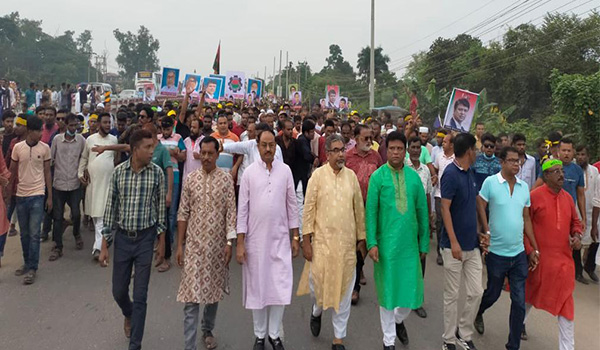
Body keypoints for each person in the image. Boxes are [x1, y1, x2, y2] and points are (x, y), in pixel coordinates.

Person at [297, 134, 366, 350]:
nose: (340, 154)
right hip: (322, 246)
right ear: (327, 153)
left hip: (346, 247)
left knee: (344, 292)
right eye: (335, 150)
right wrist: (305, 241)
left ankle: (338, 339)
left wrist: (361, 239)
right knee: (318, 289)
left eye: (342, 150)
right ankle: (316, 312)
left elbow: (358, 210)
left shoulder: (351, 177)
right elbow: (308, 210)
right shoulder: (317, 176)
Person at [99, 129, 166, 350]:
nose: (151, 151)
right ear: (135, 149)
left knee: (140, 295)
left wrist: (161, 242)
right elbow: (111, 209)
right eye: (147, 147)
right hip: (124, 240)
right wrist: (104, 244)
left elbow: (160, 211)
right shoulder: (119, 173)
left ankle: (135, 344)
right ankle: (127, 314)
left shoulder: (156, 174)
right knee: (118, 291)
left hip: (146, 239)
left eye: (152, 147)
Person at [236, 129, 300, 350]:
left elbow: (292, 204)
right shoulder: (249, 173)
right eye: (264, 145)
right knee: (258, 288)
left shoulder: (286, 171)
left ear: (276, 146)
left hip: (280, 239)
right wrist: (240, 242)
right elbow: (242, 209)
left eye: (271, 145)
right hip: (255, 241)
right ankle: (260, 336)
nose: (268, 149)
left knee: (280, 286)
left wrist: (295, 236)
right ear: (257, 146)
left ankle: (274, 335)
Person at [366, 131, 429, 349]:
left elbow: (423, 211)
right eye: (391, 148)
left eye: (399, 148)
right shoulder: (378, 177)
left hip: (410, 247)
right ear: (386, 151)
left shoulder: (414, 178)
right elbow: (371, 213)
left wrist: (424, 243)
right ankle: (388, 341)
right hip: (386, 248)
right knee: (387, 294)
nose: (395, 152)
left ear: (405, 151)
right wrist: (371, 243)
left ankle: (399, 320)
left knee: (411, 294)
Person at [474, 146, 540, 350]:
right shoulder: (490, 183)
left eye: (518, 161)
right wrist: (484, 230)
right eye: (511, 160)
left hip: (518, 253)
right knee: (493, 293)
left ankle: (513, 345)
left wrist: (534, 249)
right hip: (496, 253)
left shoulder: (523, 188)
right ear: (501, 162)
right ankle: (478, 313)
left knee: (519, 301)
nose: (516, 164)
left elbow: (526, 218)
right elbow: (480, 204)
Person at [176, 136, 236, 350]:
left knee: (212, 294)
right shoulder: (191, 179)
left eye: (211, 153)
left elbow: (231, 214)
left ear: (218, 155)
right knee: (191, 299)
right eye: (204, 153)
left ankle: (207, 329)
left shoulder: (226, 179)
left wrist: (230, 243)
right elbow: (183, 212)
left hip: (217, 247)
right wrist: (180, 245)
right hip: (193, 247)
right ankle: (189, 345)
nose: (207, 157)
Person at [523, 158, 583, 350]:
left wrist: (576, 235)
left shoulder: (567, 198)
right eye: (556, 171)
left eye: (562, 171)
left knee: (566, 303)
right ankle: (514, 334)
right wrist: (530, 250)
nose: (561, 175)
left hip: (563, 264)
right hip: (539, 261)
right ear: (546, 175)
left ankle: (567, 348)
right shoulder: (534, 196)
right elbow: (523, 227)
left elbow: (575, 222)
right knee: (527, 298)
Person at [440, 133, 485, 350]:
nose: (476, 153)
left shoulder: (471, 172)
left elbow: (477, 200)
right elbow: (444, 208)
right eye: (475, 149)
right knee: (452, 295)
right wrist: (454, 242)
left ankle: (463, 332)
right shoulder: (450, 174)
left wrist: (485, 228)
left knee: (476, 292)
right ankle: (448, 339)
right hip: (452, 247)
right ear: (469, 151)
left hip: (472, 245)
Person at [8, 115, 52, 285]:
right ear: (29, 131)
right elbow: (12, 171)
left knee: (34, 234)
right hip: (20, 196)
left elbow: (47, 172)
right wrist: (7, 193)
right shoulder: (18, 148)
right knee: (24, 234)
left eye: (41, 130)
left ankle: (33, 267)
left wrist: (49, 197)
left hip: (37, 195)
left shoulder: (45, 148)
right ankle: (26, 263)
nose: (41, 133)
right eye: (38, 130)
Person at [344, 124, 383, 304]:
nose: (369, 141)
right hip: (350, 208)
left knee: (363, 245)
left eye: (371, 138)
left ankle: (356, 281)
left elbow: (383, 178)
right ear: (356, 138)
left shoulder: (376, 157)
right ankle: (352, 283)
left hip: (371, 209)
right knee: (351, 245)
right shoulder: (347, 157)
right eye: (365, 138)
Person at [78, 113, 118, 260]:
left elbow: (116, 159)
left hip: (107, 184)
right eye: (105, 122)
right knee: (96, 216)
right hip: (93, 184)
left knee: (102, 217)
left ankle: (98, 248)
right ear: (99, 124)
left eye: (110, 122)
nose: (108, 125)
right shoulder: (90, 139)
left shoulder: (113, 140)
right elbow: (84, 158)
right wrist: (80, 173)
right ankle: (103, 243)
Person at [49, 113, 85, 260]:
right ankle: (58, 246)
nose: (73, 128)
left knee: (76, 213)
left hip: (75, 184)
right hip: (59, 184)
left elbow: (84, 159)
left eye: (75, 125)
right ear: (65, 125)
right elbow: (51, 160)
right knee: (58, 217)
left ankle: (76, 232)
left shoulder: (81, 140)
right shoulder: (57, 140)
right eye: (71, 125)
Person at [406, 136, 433, 319]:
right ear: (408, 149)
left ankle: (417, 299)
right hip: (404, 221)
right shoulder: (402, 168)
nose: (415, 150)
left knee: (421, 258)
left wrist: (430, 217)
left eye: (418, 148)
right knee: (405, 257)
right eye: (413, 147)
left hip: (420, 220)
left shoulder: (425, 171)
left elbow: (428, 194)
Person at [574, 145, 599, 283]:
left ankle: (590, 267)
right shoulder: (573, 170)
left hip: (593, 210)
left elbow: (597, 191)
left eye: (583, 154)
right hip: (577, 211)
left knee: (595, 239)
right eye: (578, 154)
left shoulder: (594, 171)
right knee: (577, 239)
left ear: (588, 156)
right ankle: (578, 271)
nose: (580, 157)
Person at [433, 133, 454, 266]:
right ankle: (440, 251)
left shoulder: (456, 158)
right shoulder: (439, 156)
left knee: (450, 222)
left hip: (452, 197)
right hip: (439, 194)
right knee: (440, 222)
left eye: (446, 142)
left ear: (452, 145)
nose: (443, 143)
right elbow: (435, 169)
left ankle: (449, 248)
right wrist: (435, 176)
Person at [181, 118, 204, 183]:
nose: (191, 129)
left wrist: (200, 156)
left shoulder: (205, 141)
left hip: (200, 179)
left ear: (200, 129)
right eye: (191, 127)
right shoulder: (186, 141)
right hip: (187, 178)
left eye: (194, 127)